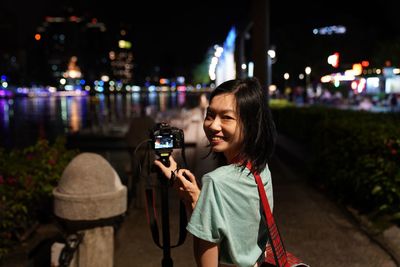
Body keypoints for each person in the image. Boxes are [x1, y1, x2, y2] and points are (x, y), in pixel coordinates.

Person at [154, 77, 277, 267]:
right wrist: (197, 198)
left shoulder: (216, 181)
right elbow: (235, 229)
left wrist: (201, 200)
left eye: (227, 117)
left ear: (250, 124)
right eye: (210, 115)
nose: (213, 125)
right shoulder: (260, 168)